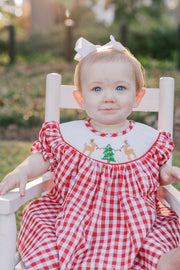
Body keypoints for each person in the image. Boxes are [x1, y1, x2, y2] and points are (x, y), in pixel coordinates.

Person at [0, 36, 180, 270]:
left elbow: (160, 170)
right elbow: (42, 157)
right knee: (44, 234)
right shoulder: (66, 135)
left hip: (136, 225)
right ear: (80, 98)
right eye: (96, 89)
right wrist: (23, 169)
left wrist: (167, 174)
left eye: (120, 88)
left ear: (137, 96)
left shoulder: (149, 139)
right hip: (70, 219)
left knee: (160, 249)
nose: (108, 97)